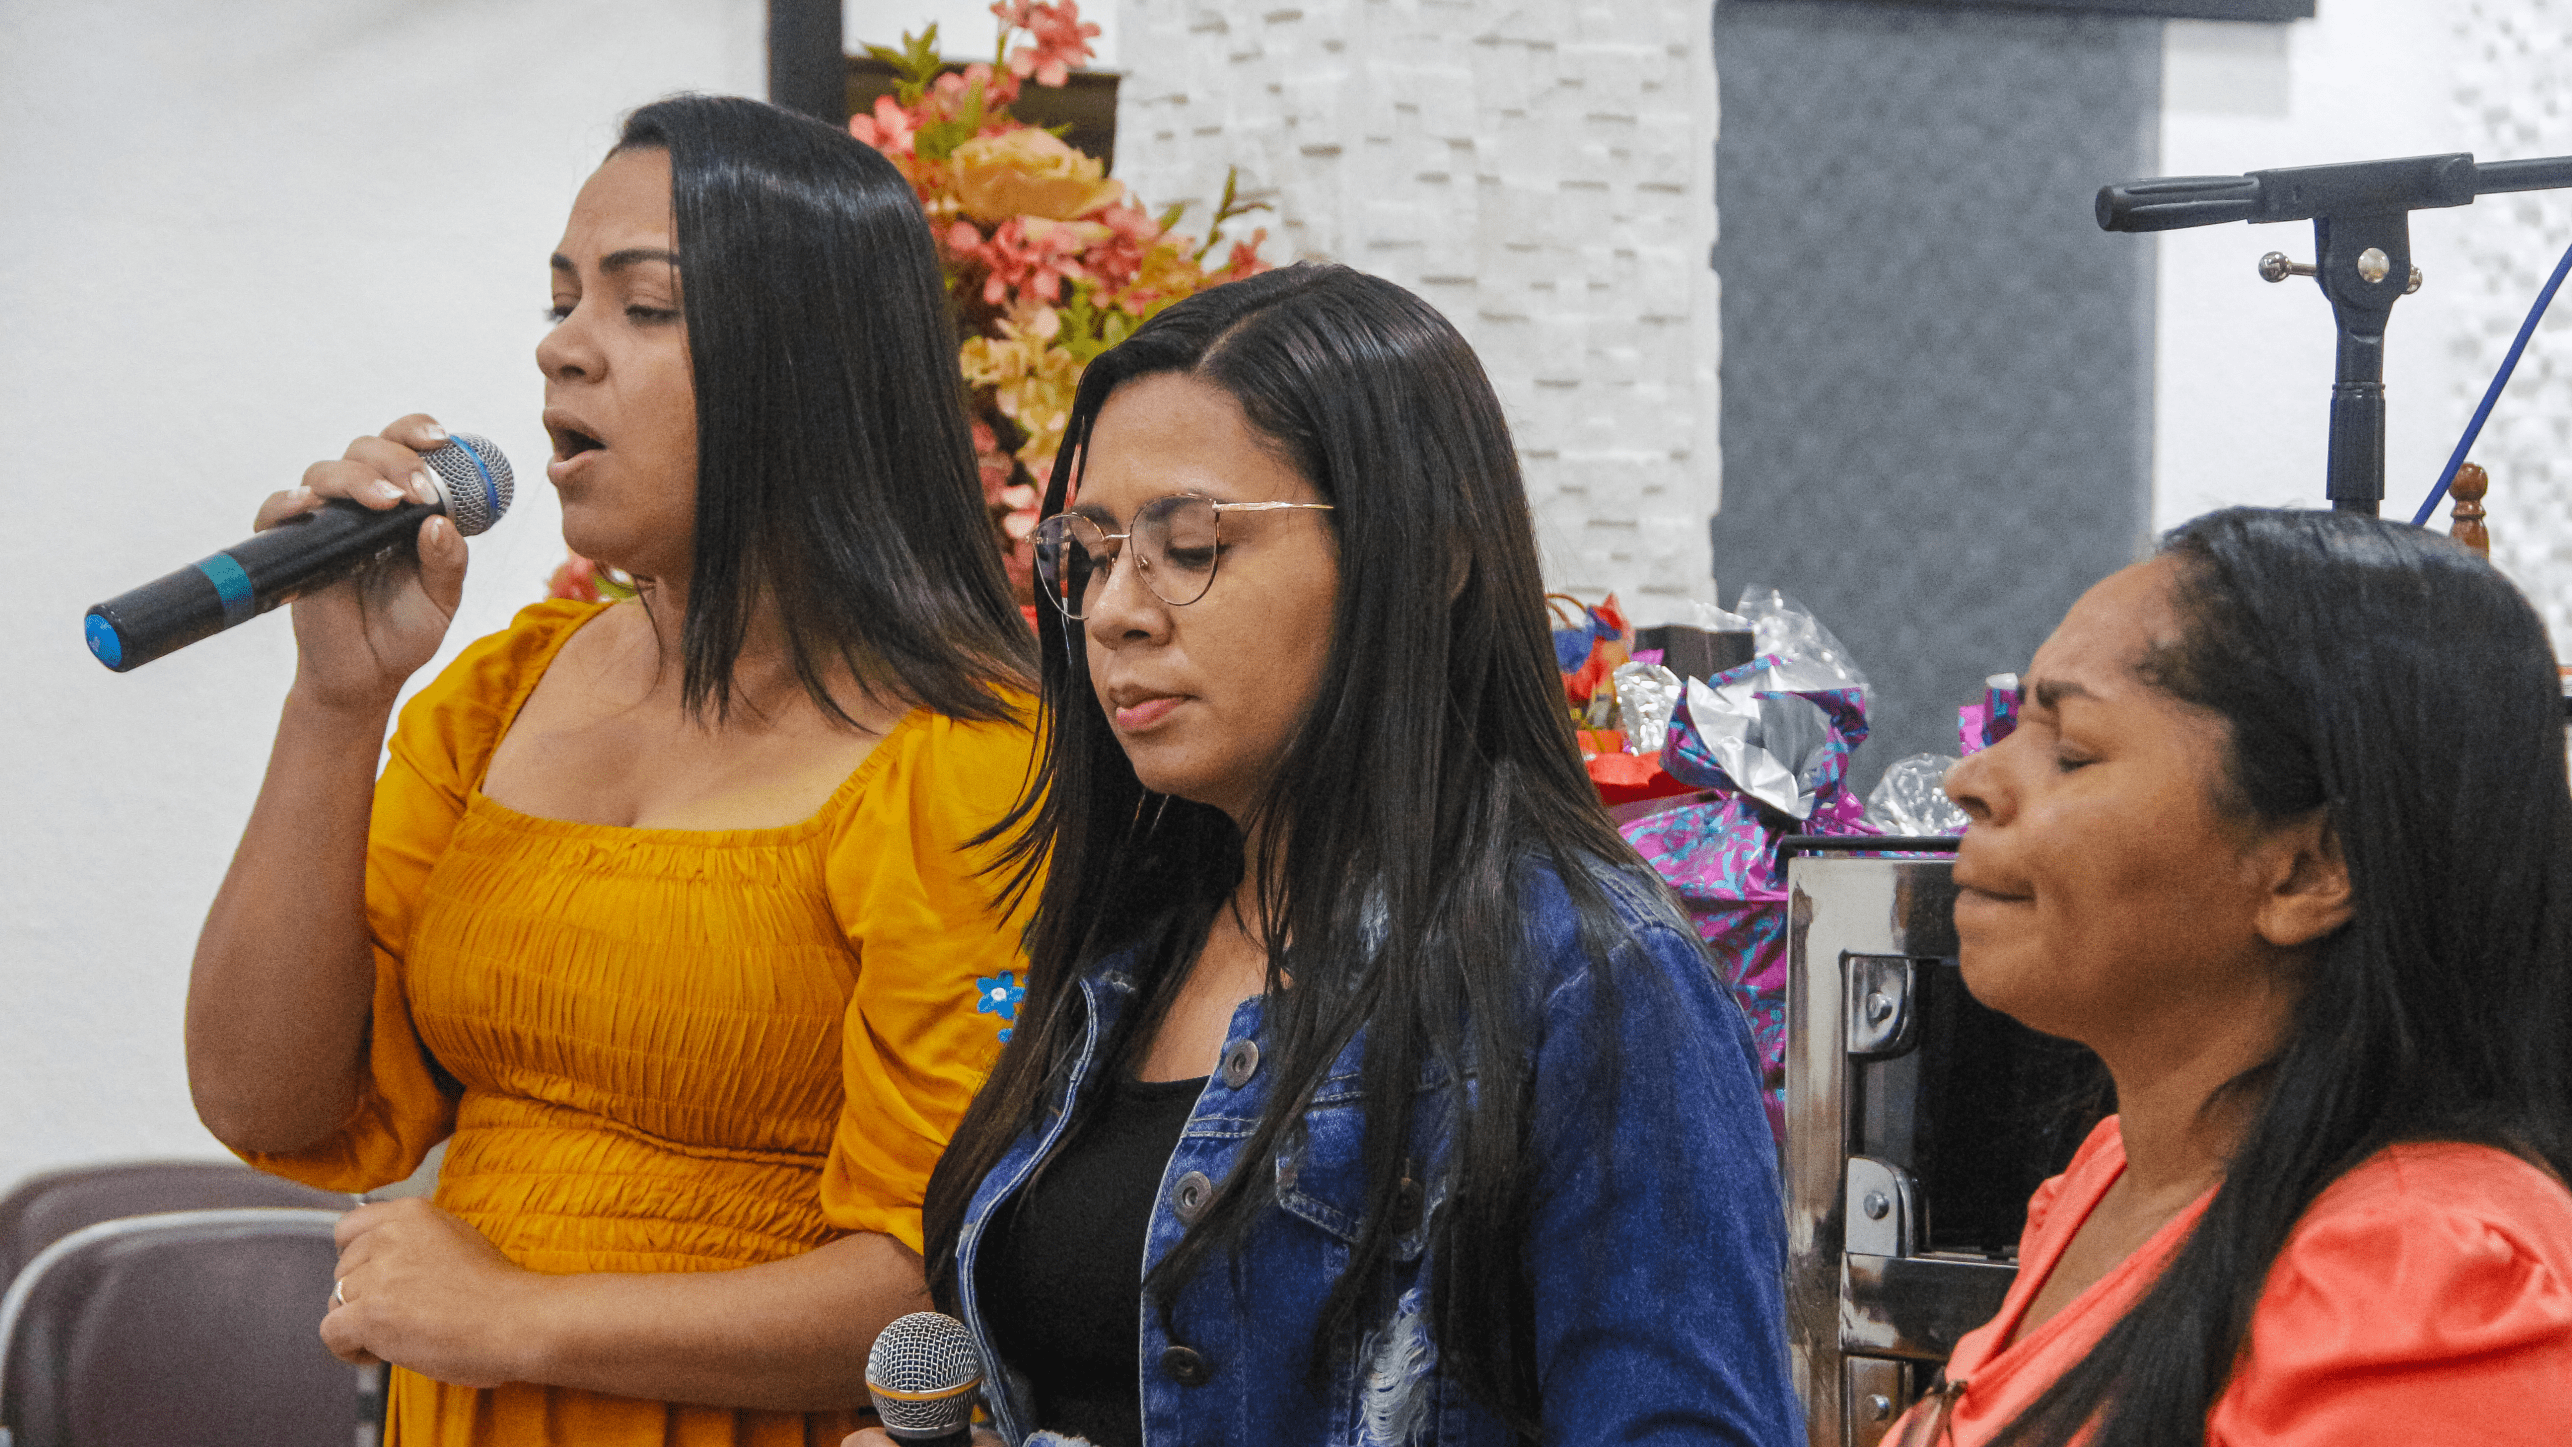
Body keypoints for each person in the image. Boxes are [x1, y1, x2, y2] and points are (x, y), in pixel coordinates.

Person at [186, 96, 1041, 1446]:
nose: (560, 347)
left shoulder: (970, 757)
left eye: (644, 308)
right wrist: (336, 703)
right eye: (562, 298)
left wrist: (521, 1315)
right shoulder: (509, 689)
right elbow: (268, 1098)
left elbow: (941, 1289)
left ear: (807, 365)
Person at [852, 263, 1801, 1447]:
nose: (1112, 611)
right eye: (1091, 552)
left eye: (1188, 543)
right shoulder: (1131, 944)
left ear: (1432, 551)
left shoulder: (1586, 974)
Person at [1903, 507, 2572, 1446]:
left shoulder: (2423, 1277)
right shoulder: (2115, 1172)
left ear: (2309, 869)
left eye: (2073, 750)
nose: (1969, 779)